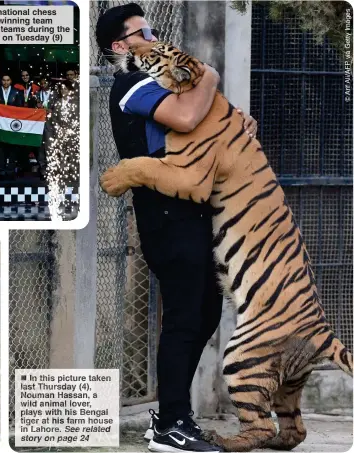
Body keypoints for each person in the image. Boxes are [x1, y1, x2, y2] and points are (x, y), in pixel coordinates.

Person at [95, 5, 257, 451]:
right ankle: (171, 425)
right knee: (185, 315)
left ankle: (171, 413)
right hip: (165, 214)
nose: (153, 34)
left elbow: (203, 125)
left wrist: (237, 125)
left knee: (205, 311)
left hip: (193, 210)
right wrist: (209, 77)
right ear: (120, 46)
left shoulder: (162, 83)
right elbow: (185, 118)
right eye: (143, 30)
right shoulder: (130, 86)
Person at [0, 74, 24, 179]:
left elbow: (20, 108)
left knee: (12, 147)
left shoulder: (17, 92)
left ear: (11, 81)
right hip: (0, 124)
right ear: (1, 81)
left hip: (12, 124)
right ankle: (2, 170)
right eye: (4, 80)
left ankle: (11, 169)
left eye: (8, 80)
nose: (5, 82)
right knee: (1, 147)